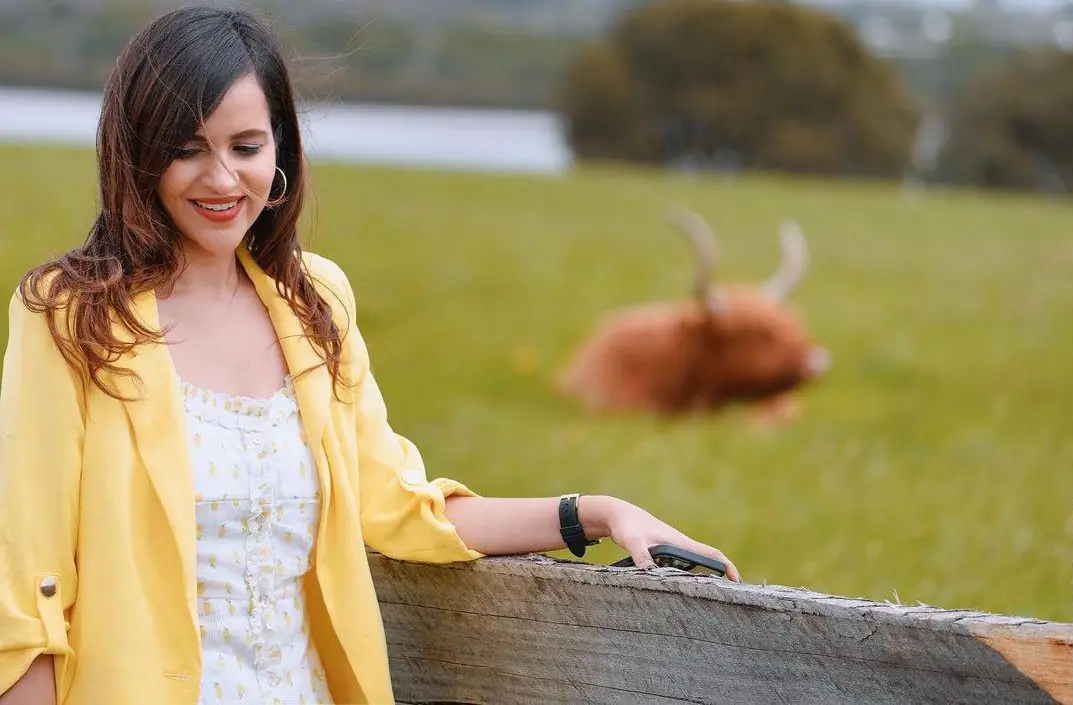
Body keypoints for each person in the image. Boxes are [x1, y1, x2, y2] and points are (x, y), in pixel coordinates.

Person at [0, 6, 740, 705]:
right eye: (186, 150)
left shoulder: (315, 301)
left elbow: (399, 504)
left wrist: (600, 513)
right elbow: (26, 572)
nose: (223, 179)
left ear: (280, 152)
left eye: (246, 147)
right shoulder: (67, 313)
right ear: (137, 156)